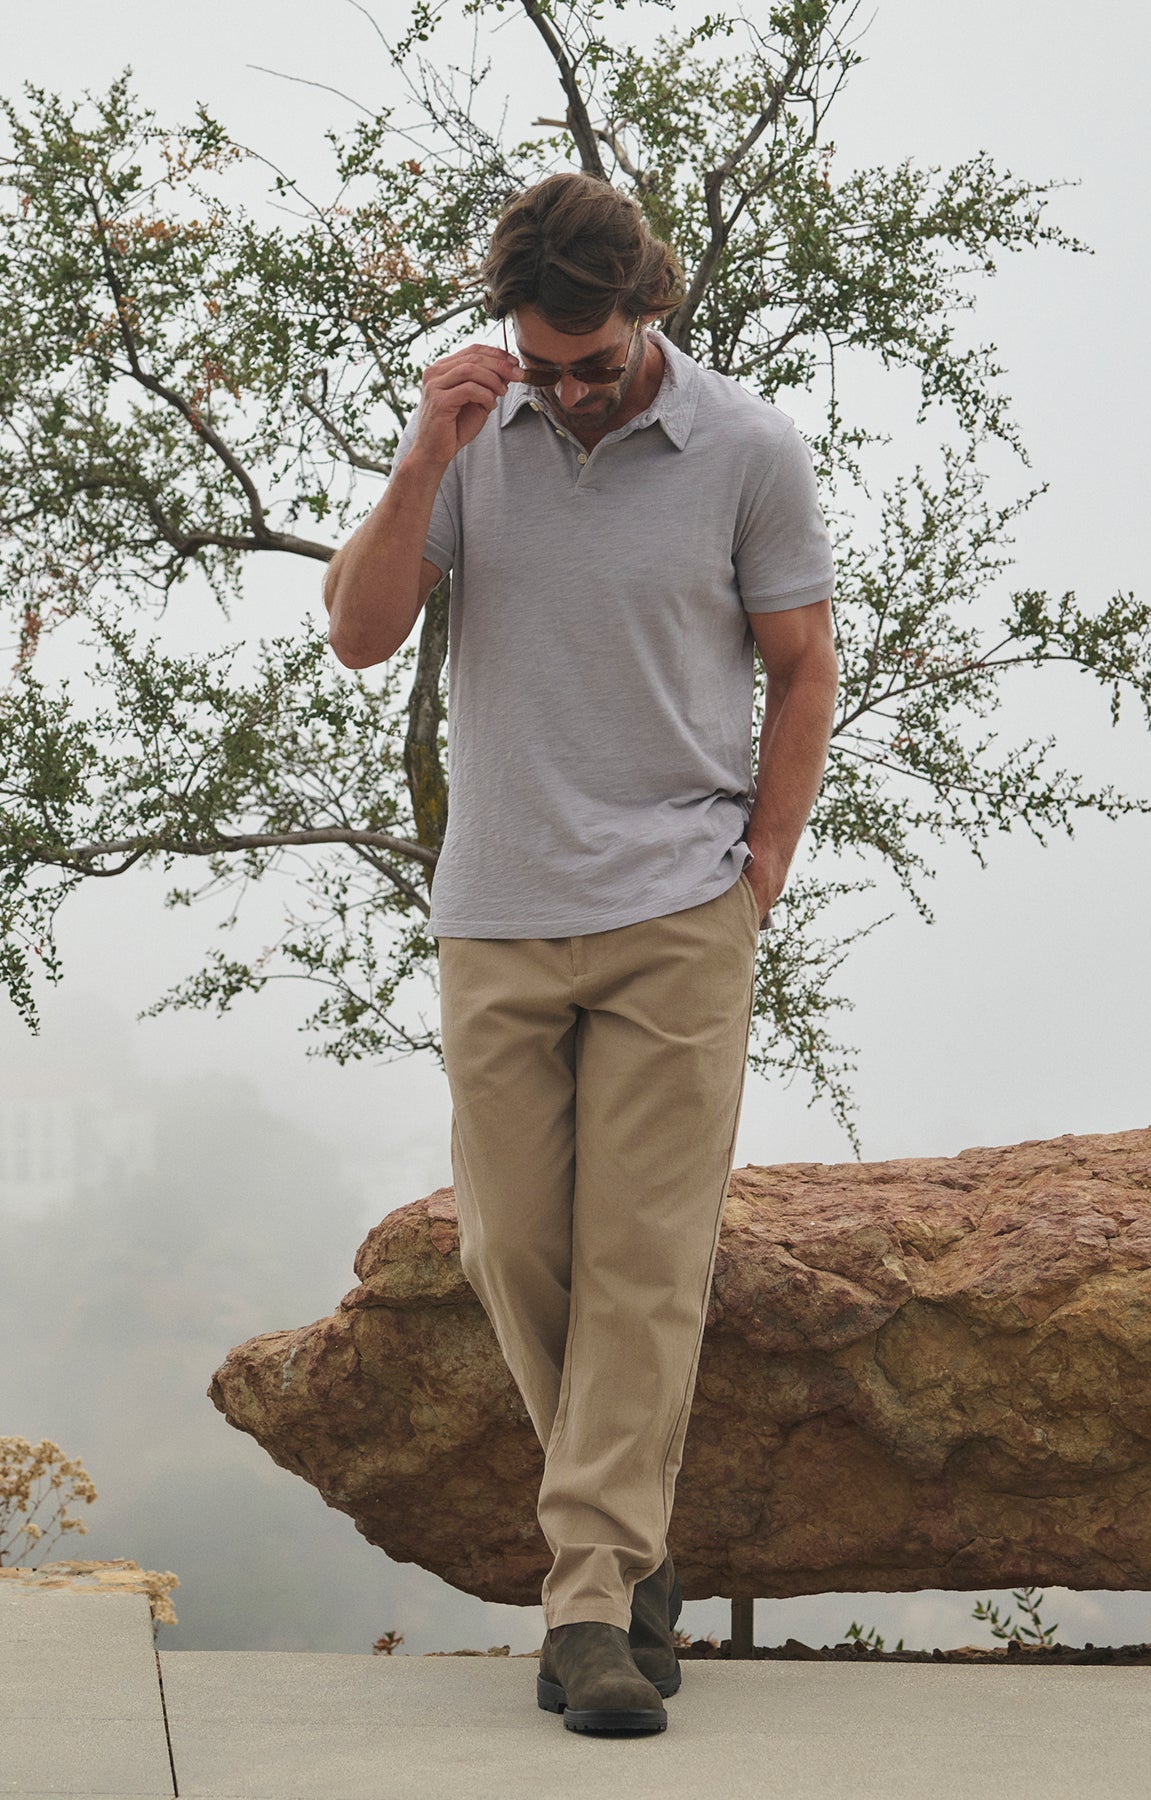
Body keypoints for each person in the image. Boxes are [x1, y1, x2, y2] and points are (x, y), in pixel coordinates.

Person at [324, 170, 838, 1736]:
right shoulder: (474, 445)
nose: (563, 386)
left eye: (589, 363)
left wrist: (763, 858)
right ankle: (636, 1549)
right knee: (512, 1251)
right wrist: (430, 445)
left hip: (677, 910)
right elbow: (358, 631)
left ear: (647, 314)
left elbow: (804, 665)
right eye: (538, 360)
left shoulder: (748, 449)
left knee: (643, 1259)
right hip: (498, 905)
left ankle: (589, 1607)